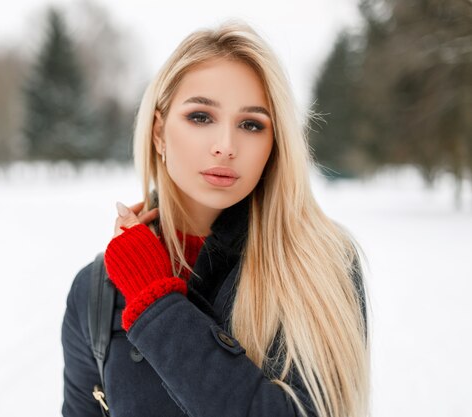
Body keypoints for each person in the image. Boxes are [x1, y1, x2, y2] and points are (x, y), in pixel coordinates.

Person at [61, 21, 369, 417]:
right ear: (159, 132)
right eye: (201, 117)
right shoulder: (96, 292)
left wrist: (154, 301)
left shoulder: (320, 264)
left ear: (275, 145)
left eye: (251, 124)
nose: (225, 146)